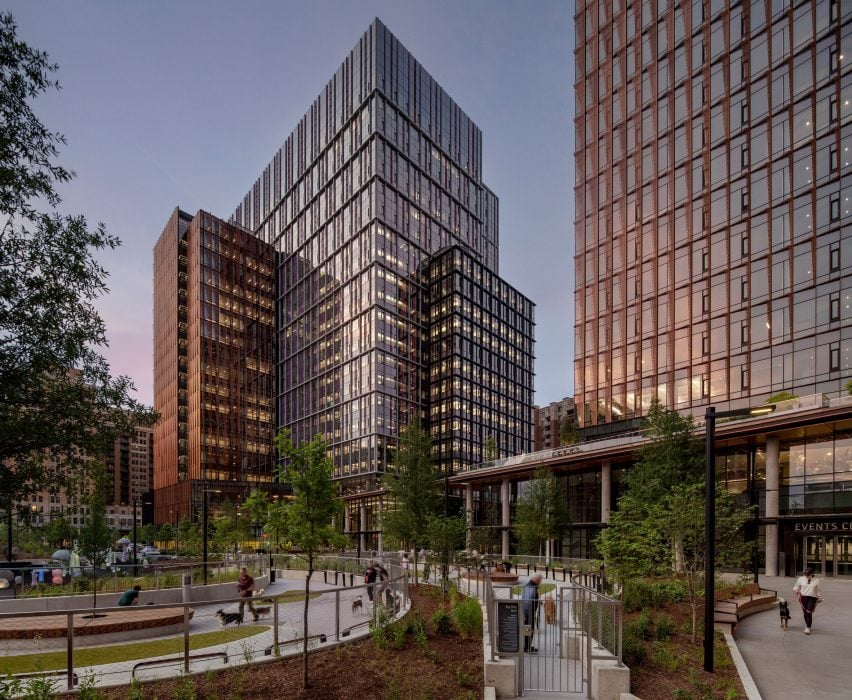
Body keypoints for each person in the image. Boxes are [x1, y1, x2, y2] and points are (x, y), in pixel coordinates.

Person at [793, 567, 823, 635]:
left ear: (812, 574)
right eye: (806, 574)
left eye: (808, 574)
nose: (806, 575)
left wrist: (819, 598)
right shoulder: (801, 579)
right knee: (805, 613)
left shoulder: (817, 580)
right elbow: (796, 587)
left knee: (808, 612)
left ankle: (808, 627)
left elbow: (818, 590)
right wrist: (797, 591)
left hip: (812, 598)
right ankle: (808, 624)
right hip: (803, 597)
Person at [522, 574, 542, 652]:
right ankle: (527, 647)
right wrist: (526, 613)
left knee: (528, 629)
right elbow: (527, 600)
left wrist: (537, 601)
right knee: (529, 629)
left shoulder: (528, 585)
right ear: (537, 580)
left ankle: (527, 646)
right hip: (528, 611)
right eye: (540, 581)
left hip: (527, 611)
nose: (540, 582)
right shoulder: (532, 587)